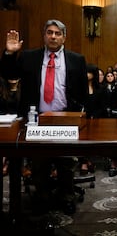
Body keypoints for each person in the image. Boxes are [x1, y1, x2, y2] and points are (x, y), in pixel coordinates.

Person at [0, 20, 88, 214]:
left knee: (66, 163)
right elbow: (8, 73)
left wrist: (79, 115)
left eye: (57, 33)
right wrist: (9, 53)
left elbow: (82, 93)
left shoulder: (76, 59)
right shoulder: (30, 57)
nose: (53, 36)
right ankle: (42, 197)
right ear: (44, 35)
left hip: (66, 119)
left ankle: (67, 197)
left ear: (64, 37)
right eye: (49, 32)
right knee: (39, 162)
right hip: (36, 118)